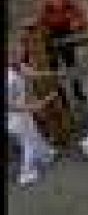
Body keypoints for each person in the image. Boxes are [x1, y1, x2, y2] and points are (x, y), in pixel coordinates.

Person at [7, 40, 56, 185]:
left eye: (22, 54)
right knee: (28, 143)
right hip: (14, 117)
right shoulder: (9, 79)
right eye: (18, 55)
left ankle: (45, 156)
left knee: (34, 134)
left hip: (23, 113)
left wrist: (54, 74)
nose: (22, 57)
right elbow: (10, 105)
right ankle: (25, 174)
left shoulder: (19, 68)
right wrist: (35, 106)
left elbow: (33, 74)